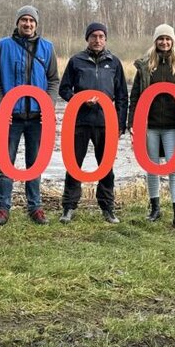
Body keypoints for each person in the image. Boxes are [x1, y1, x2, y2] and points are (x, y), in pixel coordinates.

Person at [0, 5, 59, 226]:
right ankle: (3, 208)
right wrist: (2, 106)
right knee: (6, 162)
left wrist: (47, 107)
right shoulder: (4, 46)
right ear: (17, 23)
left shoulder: (47, 48)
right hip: (11, 117)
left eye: (31, 21)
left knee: (34, 163)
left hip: (37, 118)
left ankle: (35, 207)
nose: (27, 24)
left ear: (36, 24)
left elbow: (53, 80)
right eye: (24, 20)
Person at [58, 22, 128, 224]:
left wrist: (120, 124)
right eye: (93, 36)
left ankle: (108, 209)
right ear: (87, 38)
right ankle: (68, 208)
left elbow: (122, 96)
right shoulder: (76, 61)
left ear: (105, 39)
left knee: (106, 167)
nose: (97, 40)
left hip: (106, 124)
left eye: (101, 36)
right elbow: (64, 90)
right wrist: (79, 99)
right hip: (79, 122)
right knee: (74, 165)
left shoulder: (114, 62)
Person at [128, 24, 175, 230]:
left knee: (174, 169)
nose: (164, 42)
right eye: (160, 39)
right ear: (155, 41)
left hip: (174, 127)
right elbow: (136, 97)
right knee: (152, 167)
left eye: (168, 39)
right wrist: (132, 123)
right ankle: (155, 208)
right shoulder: (145, 66)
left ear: (172, 41)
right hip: (150, 126)